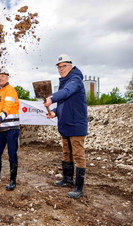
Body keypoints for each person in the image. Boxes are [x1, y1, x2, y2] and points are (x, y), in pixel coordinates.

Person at [44, 54, 88, 199]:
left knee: (78, 155)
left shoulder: (75, 80)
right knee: (66, 153)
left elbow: (66, 92)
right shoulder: (64, 81)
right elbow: (65, 103)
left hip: (76, 124)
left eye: (63, 66)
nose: (60, 69)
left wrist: (51, 98)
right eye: (59, 67)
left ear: (70, 66)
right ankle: (68, 180)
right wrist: (55, 112)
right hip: (65, 123)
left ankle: (79, 188)